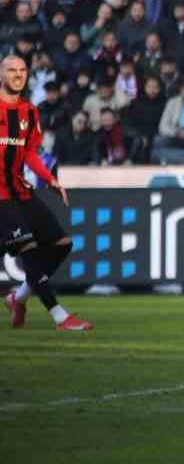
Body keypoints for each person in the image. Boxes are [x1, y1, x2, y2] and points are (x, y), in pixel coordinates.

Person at [1, 55, 93, 332]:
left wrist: (50, 180)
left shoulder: (30, 112)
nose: (18, 75)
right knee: (28, 249)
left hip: (21, 190)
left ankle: (17, 298)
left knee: (62, 244)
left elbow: (30, 153)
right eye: (11, 70)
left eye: (22, 70)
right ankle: (60, 316)